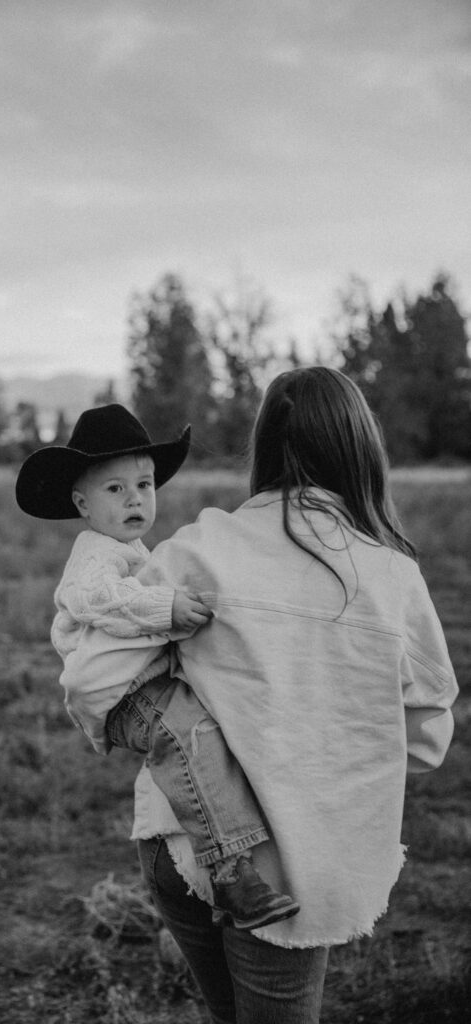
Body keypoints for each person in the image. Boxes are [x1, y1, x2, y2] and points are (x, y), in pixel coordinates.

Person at [57, 369, 458, 1024]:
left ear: (263, 446)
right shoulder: (392, 576)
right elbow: (425, 742)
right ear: (358, 447)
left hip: (174, 844)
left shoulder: (196, 547)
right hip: (299, 860)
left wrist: (159, 725)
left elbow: (90, 680)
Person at [15, 403, 299, 930]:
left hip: (141, 683)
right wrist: (163, 607)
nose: (134, 499)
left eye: (144, 485)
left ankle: (229, 862)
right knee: (186, 733)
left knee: (206, 730)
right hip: (117, 694)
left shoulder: (136, 549)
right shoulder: (94, 554)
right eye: (115, 489)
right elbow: (94, 599)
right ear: (82, 503)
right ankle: (231, 869)